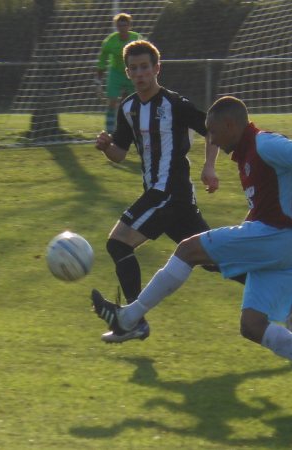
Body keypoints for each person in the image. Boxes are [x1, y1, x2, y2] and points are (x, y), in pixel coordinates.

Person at [91, 95, 292, 406]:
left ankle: (129, 317)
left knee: (188, 250)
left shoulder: (266, 144)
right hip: (287, 248)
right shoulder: (246, 155)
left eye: (212, 132)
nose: (210, 139)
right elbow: (268, 203)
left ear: (230, 125)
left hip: (278, 237)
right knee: (252, 326)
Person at [95, 40, 247, 344]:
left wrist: (210, 167)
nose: (140, 74)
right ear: (127, 72)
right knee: (210, 260)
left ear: (157, 69)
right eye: (134, 69)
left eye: (145, 67)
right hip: (169, 197)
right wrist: (106, 147)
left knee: (117, 243)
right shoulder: (128, 108)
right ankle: (273, 283)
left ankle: (133, 320)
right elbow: (121, 154)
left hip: (169, 192)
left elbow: (213, 131)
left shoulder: (175, 104)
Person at [96, 13, 143, 133]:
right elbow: (102, 59)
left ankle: (136, 129)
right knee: (112, 101)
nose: (122, 28)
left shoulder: (137, 39)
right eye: (120, 25)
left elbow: (147, 54)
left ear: (129, 26)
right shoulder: (110, 41)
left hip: (132, 72)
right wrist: (98, 80)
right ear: (116, 26)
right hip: (115, 73)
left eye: (125, 25)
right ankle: (110, 132)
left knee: (137, 101)